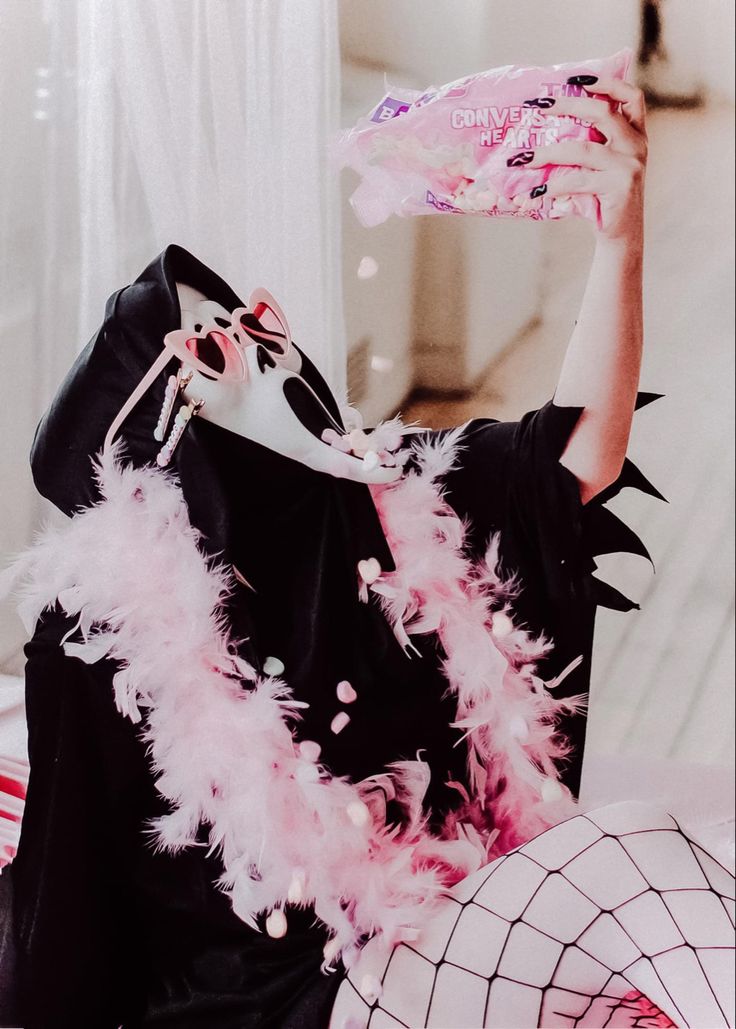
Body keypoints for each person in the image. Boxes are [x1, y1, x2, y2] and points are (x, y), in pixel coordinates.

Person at [1, 77, 732, 1029]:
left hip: (456, 937)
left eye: (255, 319)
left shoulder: (394, 498)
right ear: (163, 436)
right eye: (217, 349)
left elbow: (576, 456)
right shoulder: (107, 637)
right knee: (642, 859)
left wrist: (618, 238)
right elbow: (69, 912)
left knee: (676, 880)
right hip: (306, 1001)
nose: (265, 343)